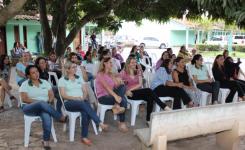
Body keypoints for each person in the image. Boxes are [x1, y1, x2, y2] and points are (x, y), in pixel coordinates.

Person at [58, 61, 108, 146]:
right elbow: (63, 95)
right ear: (67, 69)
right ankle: (99, 122)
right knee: (84, 105)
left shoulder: (79, 78)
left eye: (75, 67)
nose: (75, 68)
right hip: (69, 103)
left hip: (81, 101)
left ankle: (84, 137)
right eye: (73, 67)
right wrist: (75, 98)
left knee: (85, 111)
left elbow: (85, 91)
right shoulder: (62, 80)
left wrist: (83, 97)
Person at [19, 65, 67, 150]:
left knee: (46, 116)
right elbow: (25, 99)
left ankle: (46, 141)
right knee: (41, 103)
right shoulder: (24, 84)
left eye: (37, 71)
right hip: (29, 108)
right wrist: (40, 103)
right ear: (28, 76)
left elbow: (51, 95)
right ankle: (60, 117)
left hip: (44, 106)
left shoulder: (45, 82)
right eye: (33, 73)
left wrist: (48, 102)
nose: (36, 74)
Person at [120, 56, 171, 123]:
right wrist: (127, 90)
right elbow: (119, 84)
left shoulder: (138, 71)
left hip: (137, 91)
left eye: (135, 62)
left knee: (150, 97)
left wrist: (130, 89)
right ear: (128, 63)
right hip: (129, 94)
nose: (134, 64)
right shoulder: (123, 73)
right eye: (132, 62)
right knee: (148, 90)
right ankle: (164, 106)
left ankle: (148, 119)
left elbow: (140, 84)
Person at [95, 57, 128, 132]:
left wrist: (119, 81)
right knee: (123, 100)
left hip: (111, 95)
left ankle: (116, 105)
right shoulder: (100, 74)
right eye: (110, 62)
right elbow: (106, 87)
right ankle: (121, 123)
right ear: (105, 63)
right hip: (103, 97)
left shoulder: (111, 74)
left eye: (111, 62)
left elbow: (116, 85)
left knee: (123, 86)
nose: (112, 64)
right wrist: (116, 96)